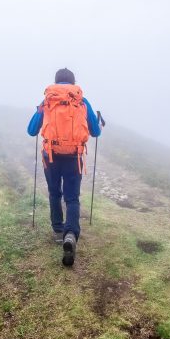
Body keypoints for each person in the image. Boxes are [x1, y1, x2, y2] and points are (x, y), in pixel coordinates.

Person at [27, 68, 102, 265]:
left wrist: (39, 111)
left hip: (50, 155)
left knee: (54, 193)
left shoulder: (48, 100)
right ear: (73, 82)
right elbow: (95, 132)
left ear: (56, 81)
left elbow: (31, 130)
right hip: (74, 156)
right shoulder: (81, 101)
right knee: (72, 197)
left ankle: (58, 231)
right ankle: (71, 234)